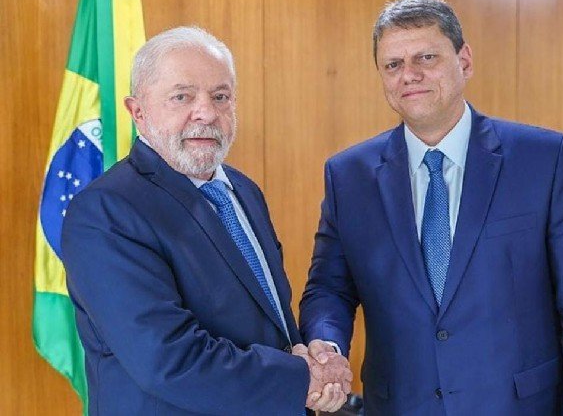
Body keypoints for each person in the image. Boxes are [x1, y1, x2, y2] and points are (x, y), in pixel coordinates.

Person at [299, 0, 563, 415]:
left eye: (426, 57)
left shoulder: (544, 160)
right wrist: (327, 347)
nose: (409, 75)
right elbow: (328, 288)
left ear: (464, 61)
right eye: (393, 64)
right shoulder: (348, 176)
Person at [61, 26, 351, 415]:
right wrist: (302, 378)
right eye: (182, 96)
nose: (207, 113)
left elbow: (270, 322)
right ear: (138, 112)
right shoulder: (106, 211)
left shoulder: (243, 190)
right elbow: (169, 360)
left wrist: (312, 359)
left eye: (220, 96)